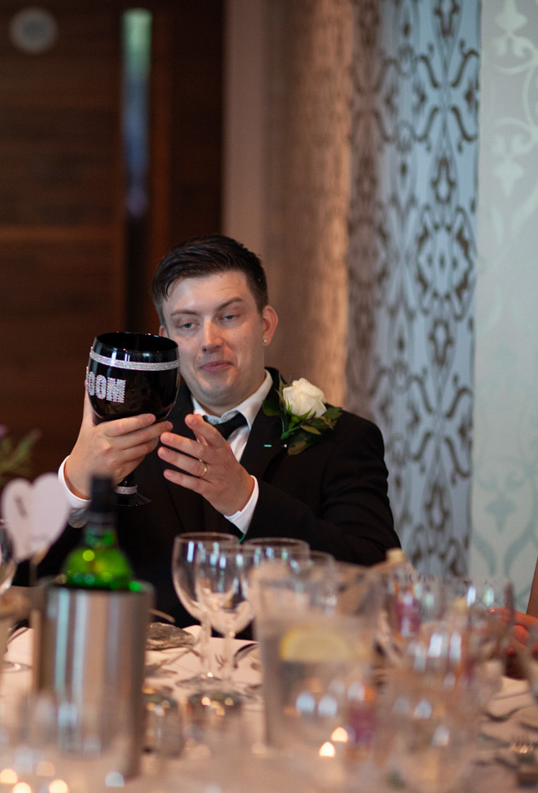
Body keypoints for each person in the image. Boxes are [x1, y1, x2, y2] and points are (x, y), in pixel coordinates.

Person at [38, 234, 400, 625]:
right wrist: (74, 483)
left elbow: (373, 579)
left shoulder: (342, 439)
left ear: (265, 324)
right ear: (167, 341)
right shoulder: (125, 438)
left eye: (228, 317)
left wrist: (246, 500)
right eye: (187, 324)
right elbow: (38, 581)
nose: (209, 341)